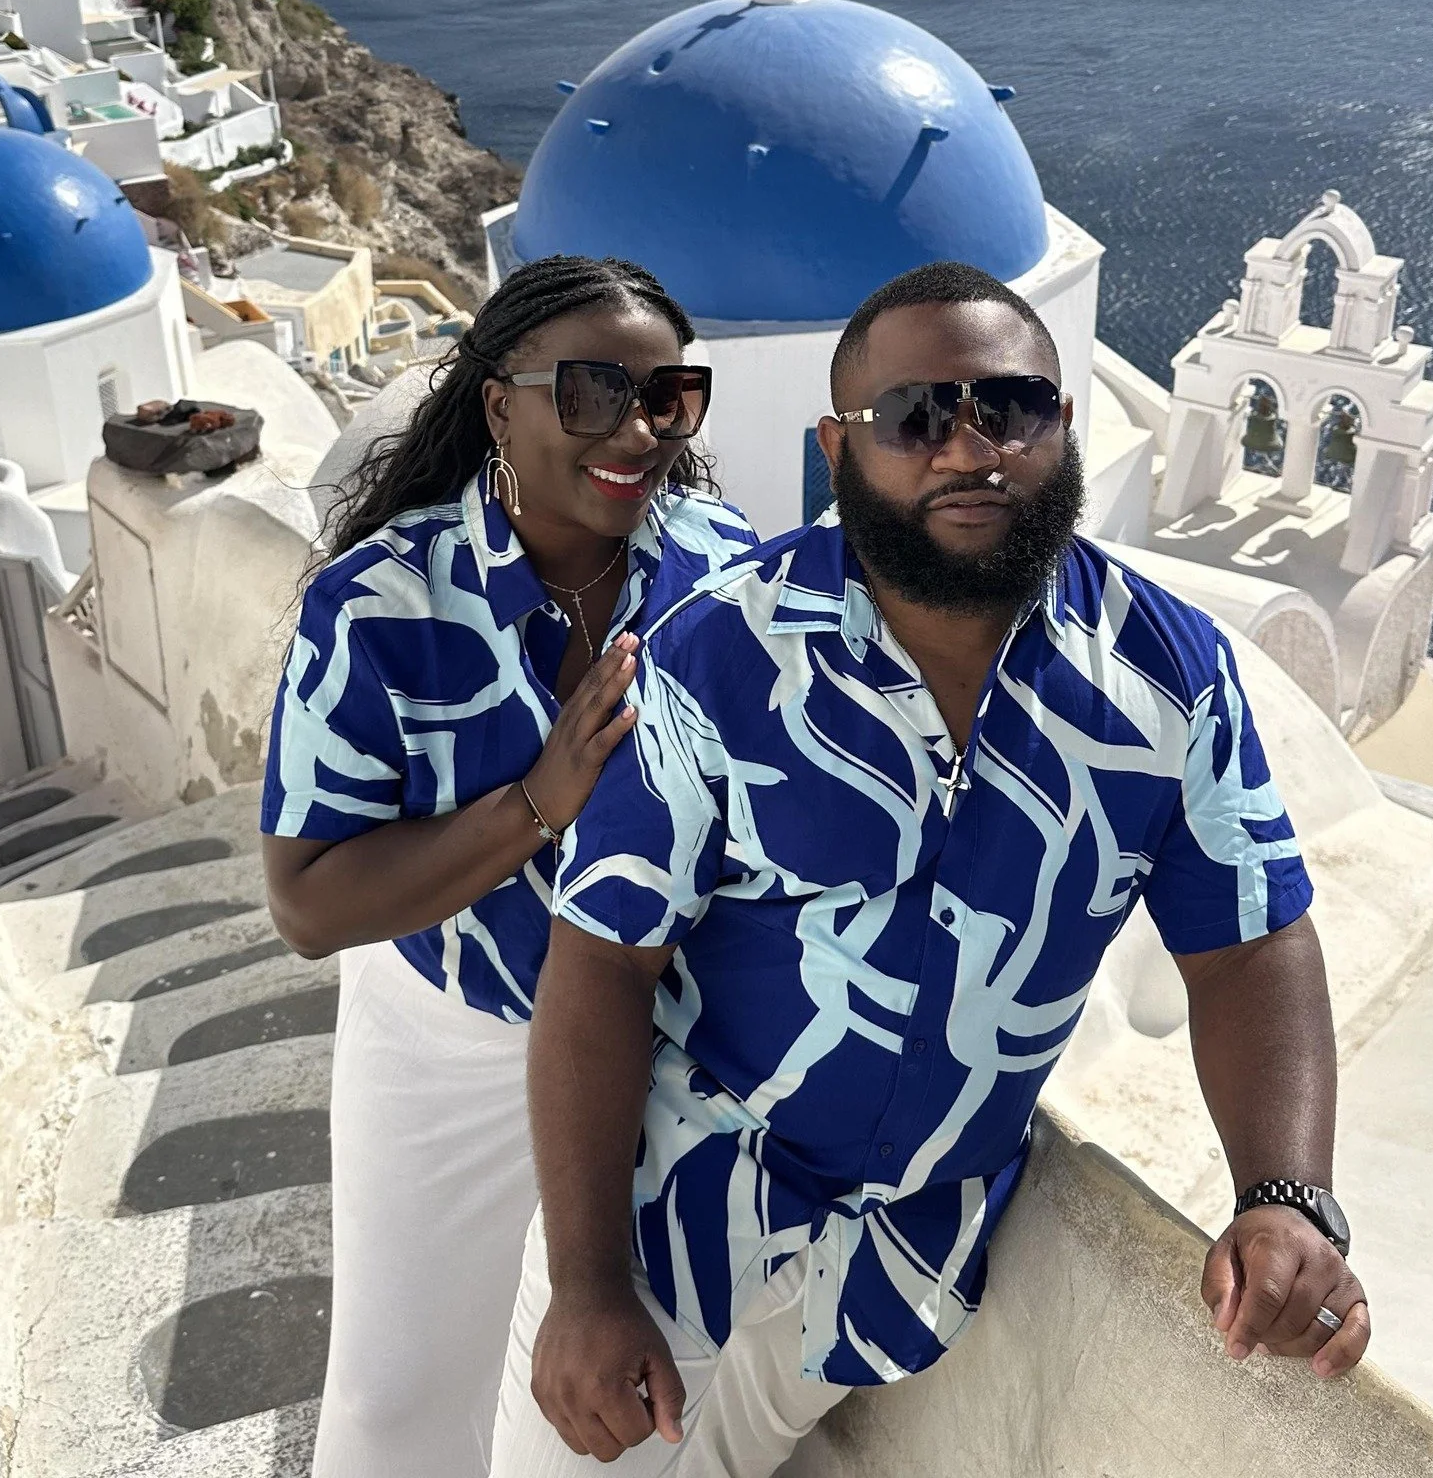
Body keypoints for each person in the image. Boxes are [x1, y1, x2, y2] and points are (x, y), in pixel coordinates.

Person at [492, 261, 1367, 1476]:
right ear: (835, 445)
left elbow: (1249, 940)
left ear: (1059, 427)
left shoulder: (1168, 681)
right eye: (911, 417)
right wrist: (584, 1283)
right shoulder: (718, 655)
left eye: (1007, 408)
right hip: (661, 1223)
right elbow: (598, 965)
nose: (967, 450)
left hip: (887, 1273)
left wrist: (1285, 1192)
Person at [261, 254, 758, 1478]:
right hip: (449, 1025)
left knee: (614, 1411)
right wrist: (538, 801)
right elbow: (310, 903)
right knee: (396, 1401)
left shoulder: (717, 570)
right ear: (499, 402)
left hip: (652, 1032)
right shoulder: (378, 604)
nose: (636, 429)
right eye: (590, 392)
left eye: (667, 396)